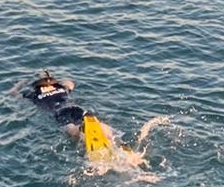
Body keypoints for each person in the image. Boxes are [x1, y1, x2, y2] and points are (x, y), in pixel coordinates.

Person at [18, 71, 153, 168]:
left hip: (60, 112)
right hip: (76, 107)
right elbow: (70, 82)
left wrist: (21, 84)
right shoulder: (61, 88)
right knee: (98, 124)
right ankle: (117, 142)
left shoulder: (33, 94)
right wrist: (57, 81)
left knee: (70, 128)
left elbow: (13, 93)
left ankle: (81, 129)